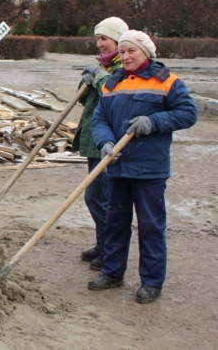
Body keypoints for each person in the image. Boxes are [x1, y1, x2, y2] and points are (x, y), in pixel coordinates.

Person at [88, 30, 197, 304]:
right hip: (118, 165)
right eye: (122, 52)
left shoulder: (167, 82)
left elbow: (187, 113)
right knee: (115, 222)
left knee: (150, 226)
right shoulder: (112, 84)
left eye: (131, 51)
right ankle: (112, 272)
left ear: (146, 53)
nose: (125, 56)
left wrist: (154, 122)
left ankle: (151, 281)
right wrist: (105, 142)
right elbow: (99, 118)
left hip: (150, 168)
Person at [74, 17, 129, 271]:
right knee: (96, 197)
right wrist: (86, 81)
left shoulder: (124, 67)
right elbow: (84, 101)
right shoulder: (103, 65)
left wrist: (98, 75)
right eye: (98, 38)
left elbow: (113, 91)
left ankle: (111, 250)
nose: (100, 44)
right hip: (93, 140)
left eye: (104, 38)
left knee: (99, 198)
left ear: (118, 40)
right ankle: (102, 243)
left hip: (108, 142)